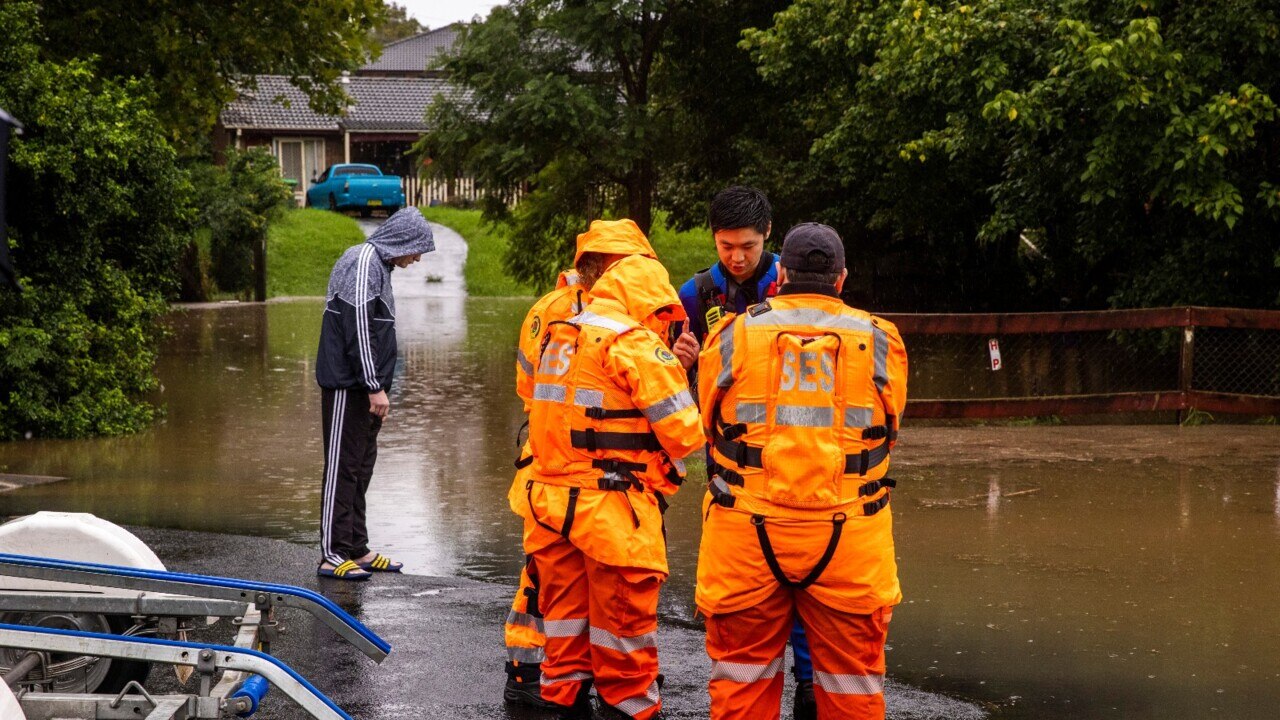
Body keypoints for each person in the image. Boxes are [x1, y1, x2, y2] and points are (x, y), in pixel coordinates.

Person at [695, 222, 908, 720]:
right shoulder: (880, 339)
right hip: (850, 533)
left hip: (745, 531)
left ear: (782, 272)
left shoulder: (731, 333)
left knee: (742, 682)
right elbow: (889, 426)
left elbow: (708, 421)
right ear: (842, 278)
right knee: (852, 688)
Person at [517, 232, 704, 719]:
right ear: (651, 296)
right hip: (613, 514)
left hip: (550, 507)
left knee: (564, 644)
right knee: (623, 646)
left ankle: (562, 704)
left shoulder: (558, 333)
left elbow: (542, 410)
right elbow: (686, 433)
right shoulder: (635, 343)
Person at [503, 220, 663, 707]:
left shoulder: (605, 313)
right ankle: (534, 671)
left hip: (581, 473)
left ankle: (569, 678)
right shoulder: (561, 312)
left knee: (577, 582)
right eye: (614, 265)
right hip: (571, 470)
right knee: (554, 581)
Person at [676, 186, 817, 718]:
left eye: (749, 246)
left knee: (805, 583)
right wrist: (680, 361)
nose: (737, 256)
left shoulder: (800, 283)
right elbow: (669, 387)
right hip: (729, 469)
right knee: (741, 594)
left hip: (798, 457)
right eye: (726, 245)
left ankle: (808, 685)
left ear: (770, 237)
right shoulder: (694, 296)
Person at [314, 207, 435, 580]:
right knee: (341, 467)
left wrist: (378, 387)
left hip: (366, 389)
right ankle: (332, 554)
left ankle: (356, 548)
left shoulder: (377, 266)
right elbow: (359, 327)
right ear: (403, 239)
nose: (415, 259)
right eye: (416, 250)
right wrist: (373, 386)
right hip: (348, 387)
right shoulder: (364, 260)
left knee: (360, 466)